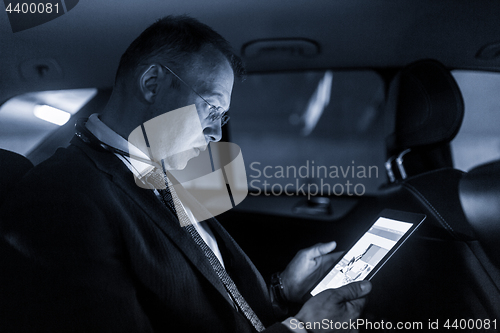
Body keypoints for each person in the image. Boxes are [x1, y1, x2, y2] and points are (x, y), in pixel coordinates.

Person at [0, 15, 371, 332]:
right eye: (211, 108)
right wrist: (300, 327)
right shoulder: (62, 196)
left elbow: (198, 305)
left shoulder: (157, 175)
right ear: (152, 83)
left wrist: (281, 290)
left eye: (222, 118)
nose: (217, 134)